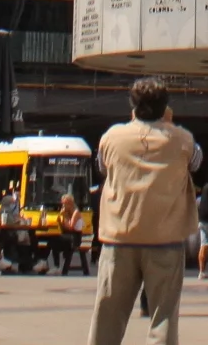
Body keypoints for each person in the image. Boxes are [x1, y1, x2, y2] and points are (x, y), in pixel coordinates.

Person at [86, 76, 200, 345]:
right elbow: (196, 163)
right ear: (166, 107)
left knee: (107, 316)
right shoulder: (183, 139)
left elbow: (102, 168)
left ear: (132, 106)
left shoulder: (111, 137)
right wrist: (168, 126)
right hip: (166, 240)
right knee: (163, 318)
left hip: (119, 239)